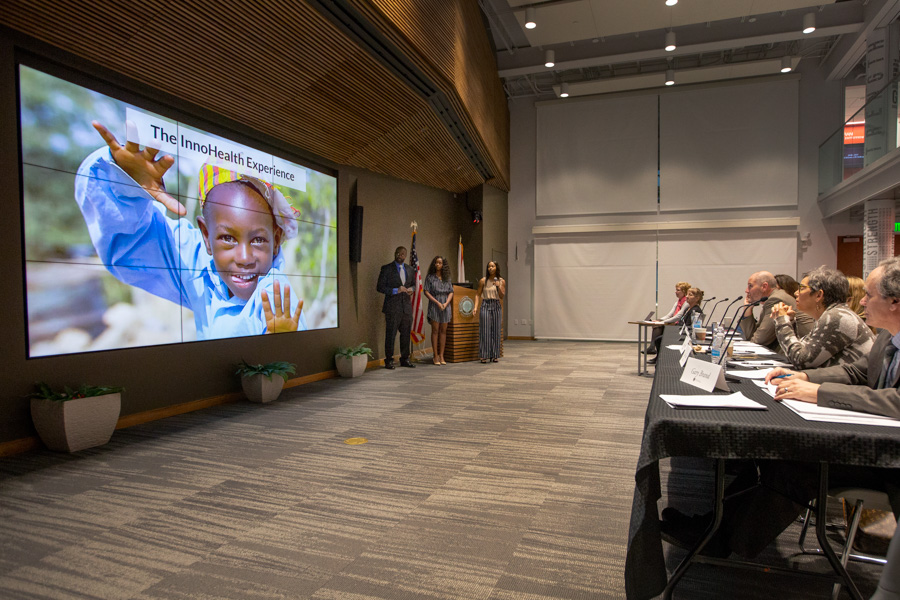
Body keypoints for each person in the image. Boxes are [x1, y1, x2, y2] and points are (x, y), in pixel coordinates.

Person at [660, 259, 900, 559]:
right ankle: (715, 525)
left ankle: (725, 541)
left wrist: (820, 392)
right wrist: (807, 377)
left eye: (869, 294)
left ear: (894, 301)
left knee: (793, 461)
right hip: (873, 435)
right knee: (770, 453)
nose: (861, 300)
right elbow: (857, 372)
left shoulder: (845, 319)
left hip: (889, 461)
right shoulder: (889, 337)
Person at [75, 121, 305, 340]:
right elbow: (129, 245)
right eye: (227, 238)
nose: (244, 258)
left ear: (276, 239)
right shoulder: (197, 260)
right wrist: (123, 184)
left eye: (258, 240)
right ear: (206, 235)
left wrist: (279, 344)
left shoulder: (277, 298)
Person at [771, 266, 874, 369]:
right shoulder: (834, 313)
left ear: (818, 295)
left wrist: (782, 321)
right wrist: (790, 322)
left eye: (801, 288)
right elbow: (798, 351)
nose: (795, 293)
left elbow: (800, 361)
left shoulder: (836, 317)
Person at [740, 270, 814, 351]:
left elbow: (758, 341)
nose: (746, 290)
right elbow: (752, 336)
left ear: (764, 286)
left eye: (750, 286)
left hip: (798, 354)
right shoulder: (772, 299)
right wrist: (747, 309)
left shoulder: (776, 299)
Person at [377, 246, 416, 369]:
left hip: (406, 307)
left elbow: (414, 285)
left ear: (405, 256)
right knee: (391, 334)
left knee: (405, 334)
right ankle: (388, 360)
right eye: (398, 253)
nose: (400, 255)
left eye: (402, 254)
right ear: (395, 254)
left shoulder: (410, 269)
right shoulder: (387, 269)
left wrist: (411, 290)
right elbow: (380, 287)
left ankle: (404, 359)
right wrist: (395, 290)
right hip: (392, 307)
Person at [648, 287, 703, 364]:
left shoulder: (695, 310)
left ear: (697, 298)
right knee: (659, 337)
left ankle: (660, 359)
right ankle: (658, 357)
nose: (687, 296)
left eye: (690, 295)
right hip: (679, 330)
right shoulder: (688, 308)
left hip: (683, 335)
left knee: (659, 339)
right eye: (687, 294)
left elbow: (690, 326)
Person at [644, 281, 691, 355]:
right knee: (657, 325)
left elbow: (678, 317)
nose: (675, 292)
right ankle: (654, 348)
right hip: (674, 323)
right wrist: (659, 320)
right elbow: (670, 315)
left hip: (679, 325)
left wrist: (662, 322)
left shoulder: (686, 303)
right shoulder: (678, 302)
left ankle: (653, 347)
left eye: (678, 290)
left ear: (684, 291)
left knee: (658, 326)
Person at [423, 256, 453, 365]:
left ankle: (441, 355)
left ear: (443, 265)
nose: (438, 265)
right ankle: (435, 355)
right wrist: (437, 302)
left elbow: (451, 291)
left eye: (440, 263)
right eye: (436, 263)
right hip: (435, 304)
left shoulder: (447, 277)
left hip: (445, 305)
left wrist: (446, 303)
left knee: (443, 331)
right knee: (435, 330)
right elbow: (426, 291)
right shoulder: (430, 277)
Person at [474, 261, 505, 363]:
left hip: (496, 305)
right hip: (485, 304)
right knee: (485, 330)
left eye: (492, 266)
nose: (490, 268)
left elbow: (502, 296)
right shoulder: (483, 281)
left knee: (496, 331)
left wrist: (498, 286)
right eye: (489, 267)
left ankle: (495, 355)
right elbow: (478, 294)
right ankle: (484, 355)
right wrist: (475, 307)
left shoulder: (501, 281)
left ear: (496, 268)